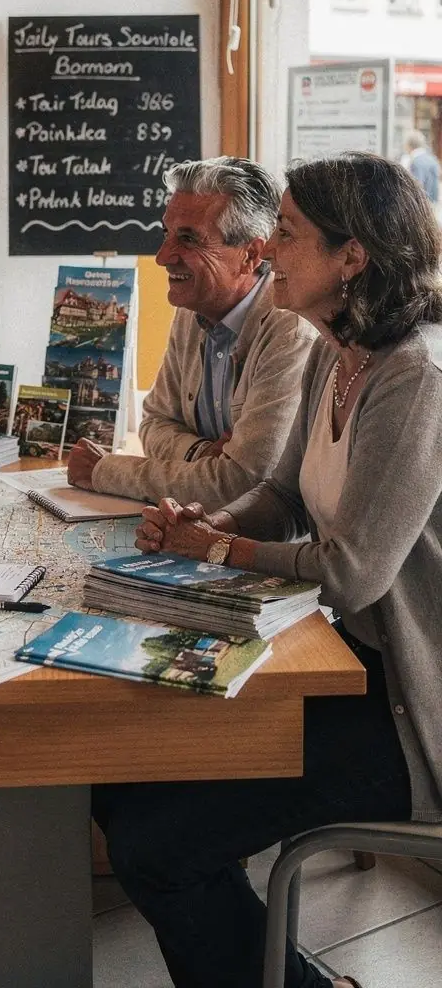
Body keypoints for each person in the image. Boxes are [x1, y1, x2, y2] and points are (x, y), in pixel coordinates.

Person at [94, 152, 442, 988]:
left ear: (351, 258)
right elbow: (279, 492)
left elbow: (351, 573)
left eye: (285, 233)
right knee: (116, 777)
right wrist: (210, 520)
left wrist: (213, 550)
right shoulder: (335, 347)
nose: (269, 251)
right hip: (334, 664)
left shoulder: (417, 378)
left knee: (158, 848)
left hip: (405, 706)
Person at [67, 157, 316, 507]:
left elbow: (244, 484)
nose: (163, 256)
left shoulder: (290, 330)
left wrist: (105, 471)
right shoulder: (196, 306)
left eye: (188, 239)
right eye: (166, 233)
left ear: (251, 255)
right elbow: (154, 422)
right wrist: (201, 454)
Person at [403, 128, 439, 203]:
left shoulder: (416, 162)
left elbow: (417, 187)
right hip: (432, 203)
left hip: (422, 206)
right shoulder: (432, 159)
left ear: (409, 145)